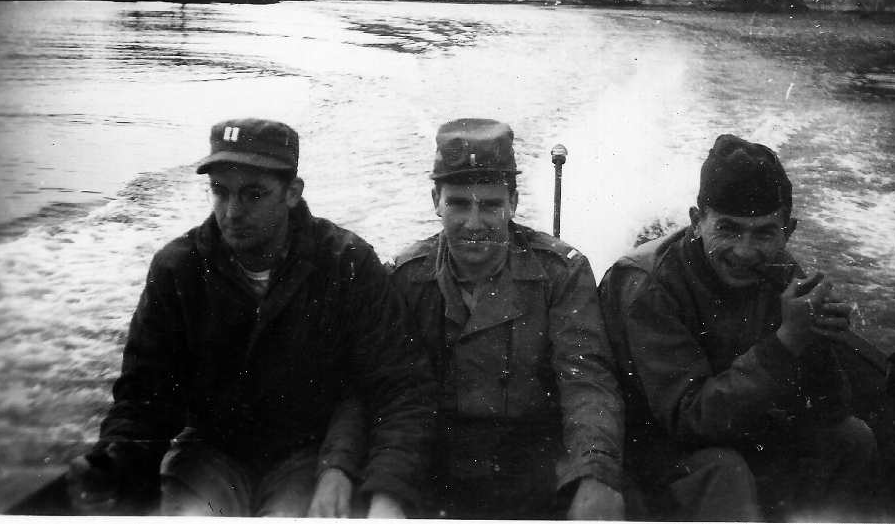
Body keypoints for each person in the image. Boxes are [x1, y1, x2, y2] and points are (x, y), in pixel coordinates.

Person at [66, 118, 437, 517]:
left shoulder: (347, 263)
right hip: (209, 454)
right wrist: (116, 456)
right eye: (220, 192)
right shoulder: (177, 269)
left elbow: (399, 386)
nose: (232, 212)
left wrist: (381, 492)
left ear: (292, 192)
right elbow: (145, 395)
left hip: (310, 457)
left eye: (253, 194)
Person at [314, 118, 626, 519]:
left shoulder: (561, 275)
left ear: (513, 202)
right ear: (436, 201)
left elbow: (587, 383)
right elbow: (368, 387)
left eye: (491, 205)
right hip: (431, 467)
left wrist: (594, 472)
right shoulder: (403, 279)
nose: (474, 223)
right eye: (459, 204)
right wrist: (337, 466)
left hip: (533, 466)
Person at [599, 134, 878, 521]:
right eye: (728, 229)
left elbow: (831, 408)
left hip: (732, 429)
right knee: (724, 470)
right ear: (697, 222)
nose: (745, 251)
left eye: (764, 233)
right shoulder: (651, 288)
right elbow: (689, 422)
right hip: (647, 448)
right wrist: (787, 343)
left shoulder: (782, 272)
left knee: (852, 439)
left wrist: (816, 341)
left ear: (787, 231)